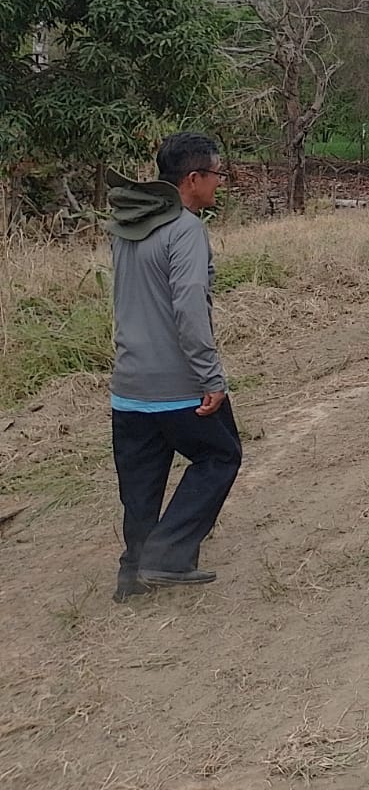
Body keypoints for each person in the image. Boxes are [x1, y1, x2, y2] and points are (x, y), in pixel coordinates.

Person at [103, 132, 243, 602]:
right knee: (220, 456)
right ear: (193, 178)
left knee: (141, 484)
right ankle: (167, 556)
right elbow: (189, 309)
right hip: (178, 385)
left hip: (128, 386)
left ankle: (133, 576)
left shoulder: (127, 225)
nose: (220, 183)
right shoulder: (185, 230)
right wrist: (211, 377)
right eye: (217, 174)